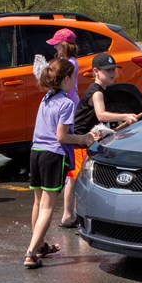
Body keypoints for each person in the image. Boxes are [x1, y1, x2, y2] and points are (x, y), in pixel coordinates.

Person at [26, 59, 99, 268]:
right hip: (53, 156)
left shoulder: (46, 98)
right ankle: (31, 252)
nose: (75, 82)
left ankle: (40, 245)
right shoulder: (67, 103)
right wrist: (84, 138)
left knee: (38, 203)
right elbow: (61, 137)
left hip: (36, 152)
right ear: (66, 79)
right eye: (74, 77)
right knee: (47, 206)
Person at [65, 51, 141, 227]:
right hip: (79, 140)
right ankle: (69, 215)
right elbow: (101, 115)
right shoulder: (97, 92)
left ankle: (69, 214)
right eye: (108, 70)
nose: (112, 73)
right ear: (96, 72)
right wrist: (124, 116)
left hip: (84, 139)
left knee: (74, 178)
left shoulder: (99, 90)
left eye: (113, 69)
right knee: (77, 178)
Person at [47, 28, 82, 228]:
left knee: (71, 162)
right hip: (63, 107)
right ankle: (68, 211)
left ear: (65, 45)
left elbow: (59, 83)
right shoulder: (66, 62)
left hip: (68, 109)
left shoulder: (70, 63)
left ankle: (68, 212)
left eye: (57, 45)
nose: (55, 48)